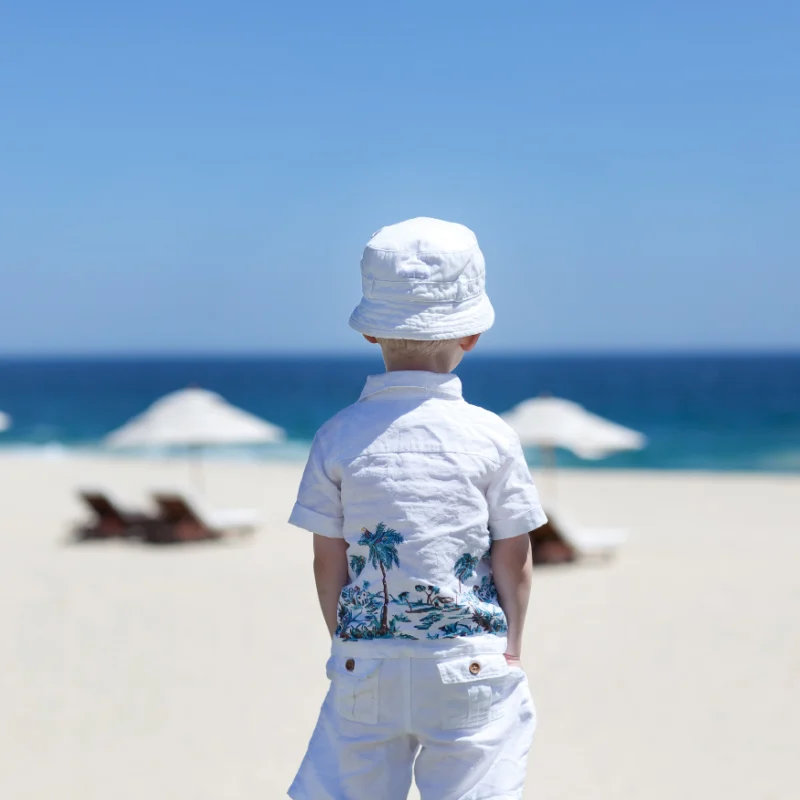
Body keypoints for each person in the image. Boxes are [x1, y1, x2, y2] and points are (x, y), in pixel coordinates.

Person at [287, 217, 548, 799]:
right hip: (468, 662)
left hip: (365, 665)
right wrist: (513, 643)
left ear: (370, 335)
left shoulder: (337, 436)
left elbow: (326, 561)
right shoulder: (492, 436)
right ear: (473, 334)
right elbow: (514, 556)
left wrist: (345, 638)